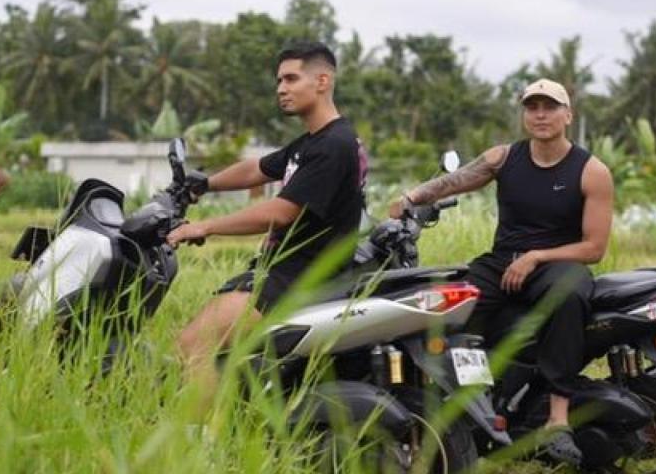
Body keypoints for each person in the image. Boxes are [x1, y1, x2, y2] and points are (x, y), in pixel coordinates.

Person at [388, 78, 614, 465]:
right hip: (502, 260)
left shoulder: (591, 171)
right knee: (449, 305)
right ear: (524, 114)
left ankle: (557, 420)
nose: (540, 114)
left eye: (550, 106)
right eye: (532, 107)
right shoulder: (505, 157)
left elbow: (593, 248)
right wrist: (411, 197)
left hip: (559, 262)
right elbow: (455, 180)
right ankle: (471, 401)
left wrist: (537, 257)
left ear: (568, 115)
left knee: (568, 297)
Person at [167, 41, 368, 392]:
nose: (281, 89)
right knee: (216, 350)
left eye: (291, 79)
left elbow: (282, 211)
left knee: (194, 345)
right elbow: (256, 169)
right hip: (282, 271)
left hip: (300, 278)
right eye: (279, 81)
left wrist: (204, 226)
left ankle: (198, 443)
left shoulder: (334, 145)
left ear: (322, 81)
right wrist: (202, 184)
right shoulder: (311, 142)